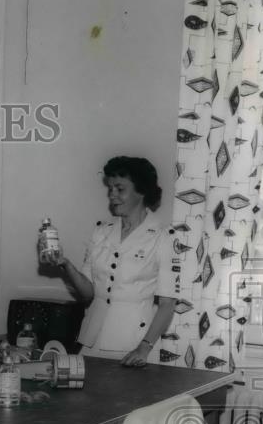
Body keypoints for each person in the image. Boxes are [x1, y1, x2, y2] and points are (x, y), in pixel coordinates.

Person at [49, 156, 177, 366]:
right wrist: (66, 265)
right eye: (110, 189)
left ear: (141, 190)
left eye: (120, 189)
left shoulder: (163, 236)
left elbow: (167, 304)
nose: (112, 195)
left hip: (134, 343)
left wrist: (144, 348)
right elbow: (88, 293)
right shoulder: (101, 232)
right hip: (92, 339)